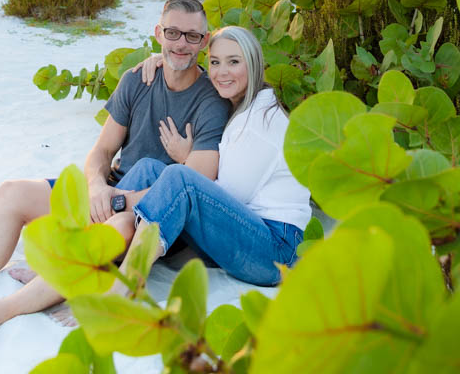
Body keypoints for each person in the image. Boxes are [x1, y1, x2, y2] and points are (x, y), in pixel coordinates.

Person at [0, 0, 231, 361]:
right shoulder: (137, 78)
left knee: (107, 231)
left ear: (204, 41)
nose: (180, 44)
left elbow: (194, 182)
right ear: (158, 33)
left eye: (191, 36)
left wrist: (116, 200)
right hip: (112, 189)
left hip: (149, 214)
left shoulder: (211, 100)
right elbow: (102, 152)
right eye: (172, 33)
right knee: (11, 193)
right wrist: (96, 186)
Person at [107, 25, 312, 287]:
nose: (221, 72)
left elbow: (228, 195)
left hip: (276, 250)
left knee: (180, 178)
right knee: (149, 168)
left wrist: (184, 161)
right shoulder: (242, 104)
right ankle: (85, 249)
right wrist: (163, 61)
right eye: (215, 62)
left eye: (234, 62)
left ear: (254, 65)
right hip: (245, 231)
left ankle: (125, 282)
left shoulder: (259, 122)